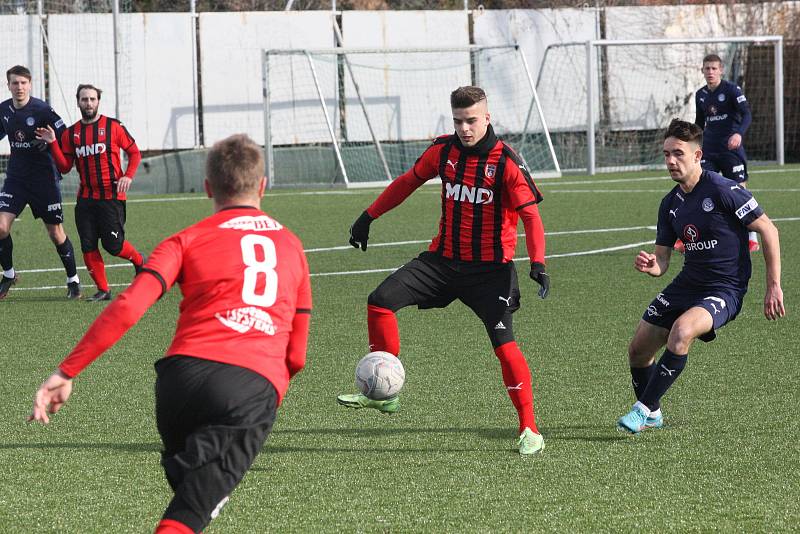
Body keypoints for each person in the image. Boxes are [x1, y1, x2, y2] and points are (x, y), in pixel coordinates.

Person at [29, 134, 312, 534]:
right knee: (188, 514)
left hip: (178, 384)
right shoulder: (293, 246)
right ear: (263, 185)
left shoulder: (185, 239)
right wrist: (263, 396)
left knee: (192, 502)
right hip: (248, 386)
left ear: (208, 187)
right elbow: (296, 355)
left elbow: (127, 307)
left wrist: (66, 372)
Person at [336, 86, 551, 456]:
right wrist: (368, 216)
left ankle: (529, 428)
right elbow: (407, 182)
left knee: (504, 344)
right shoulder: (443, 151)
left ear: (487, 118)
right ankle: (386, 394)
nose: (464, 129)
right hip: (442, 262)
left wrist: (538, 263)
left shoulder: (507, 163)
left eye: (471, 120)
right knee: (380, 301)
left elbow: (531, 216)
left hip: (490, 272)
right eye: (458, 121)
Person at [617, 119, 784, 434]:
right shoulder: (669, 204)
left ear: (697, 156)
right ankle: (652, 412)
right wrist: (651, 264)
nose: (670, 161)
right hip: (687, 284)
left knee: (681, 332)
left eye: (678, 153)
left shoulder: (723, 189)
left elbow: (768, 229)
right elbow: (662, 262)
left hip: (725, 289)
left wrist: (773, 286)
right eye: (666, 154)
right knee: (638, 350)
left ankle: (641, 410)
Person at [36, 84, 145, 302]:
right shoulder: (71, 133)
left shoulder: (113, 126)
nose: (88, 103)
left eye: (92, 99)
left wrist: (128, 176)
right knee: (88, 244)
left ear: (98, 101)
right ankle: (103, 289)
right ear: (78, 102)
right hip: (85, 199)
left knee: (113, 246)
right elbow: (65, 167)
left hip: (111, 198)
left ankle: (140, 261)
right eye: (84, 99)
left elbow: (134, 153)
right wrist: (53, 143)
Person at [0, 65, 81, 299]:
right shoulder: (4, 109)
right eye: (15, 83)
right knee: (1, 227)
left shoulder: (43, 110)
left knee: (55, 232)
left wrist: (52, 141)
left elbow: (65, 137)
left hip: (44, 179)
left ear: (30, 84)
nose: (19, 87)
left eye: (23, 83)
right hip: (16, 179)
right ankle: (8, 275)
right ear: (9, 85)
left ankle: (73, 280)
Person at [686, 53, 759, 253]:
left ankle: (751, 235)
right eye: (707, 68)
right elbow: (699, 122)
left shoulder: (732, 90)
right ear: (702, 70)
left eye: (714, 68)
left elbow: (747, 114)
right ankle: (691, 236)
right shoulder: (700, 94)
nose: (710, 72)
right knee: (697, 187)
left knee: (739, 190)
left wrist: (738, 134)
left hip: (730, 150)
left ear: (721, 70)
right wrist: (690, 142)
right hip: (709, 149)